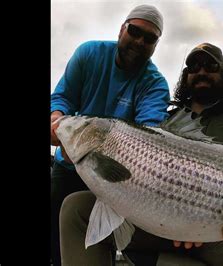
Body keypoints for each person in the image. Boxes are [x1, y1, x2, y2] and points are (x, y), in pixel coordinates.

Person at [58, 43, 223, 265]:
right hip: (157, 221)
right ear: (185, 75)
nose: (202, 71)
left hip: (222, 233)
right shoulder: (163, 122)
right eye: (193, 67)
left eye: (211, 66)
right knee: (77, 208)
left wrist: (198, 215)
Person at [50, 4, 170, 265]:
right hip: (69, 163)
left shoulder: (155, 84)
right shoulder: (89, 53)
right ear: (121, 29)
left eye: (149, 38)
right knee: (54, 235)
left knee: (96, 239)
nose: (139, 41)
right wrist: (56, 119)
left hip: (117, 178)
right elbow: (62, 97)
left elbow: (149, 137)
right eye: (134, 31)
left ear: (156, 44)